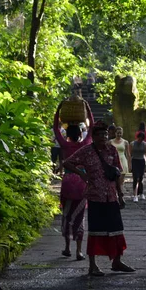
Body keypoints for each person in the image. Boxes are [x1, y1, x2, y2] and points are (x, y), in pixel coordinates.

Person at [63, 121, 135, 276]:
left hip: (111, 196)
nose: (103, 137)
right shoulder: (86, 151)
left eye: (105, 134)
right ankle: (93, 265)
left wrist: (120, 195)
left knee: (116, 229)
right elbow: (67, 163)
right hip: (95, 196)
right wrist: (82, 173)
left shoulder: (112, 150)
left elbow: (117, 173)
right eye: (100, 134)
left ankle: (117, 261)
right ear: (93, 136)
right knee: (96, 231)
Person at [53, 100, 94, 259]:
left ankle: (67, 247)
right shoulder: (85, 144)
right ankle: (79, 251)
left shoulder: (64, 145)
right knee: (80, 216)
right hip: (82, 182)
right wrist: (87, 108)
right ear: (79, 134)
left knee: (67, 215)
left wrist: (58, 109)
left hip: (68, 181)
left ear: (68, 134)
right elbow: (91, 128)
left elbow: (56, 128)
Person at [130, 131, 146, 202]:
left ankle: (141, 192)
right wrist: (130, 164)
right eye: (139, 138)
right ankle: (135, 194)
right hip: (135, 160)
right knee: (135, 177)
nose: (140, 140)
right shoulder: (132, 144)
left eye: (141, 139)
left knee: (141, 178)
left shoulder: (145, 145)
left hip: (141, 161)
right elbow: (130, 155)